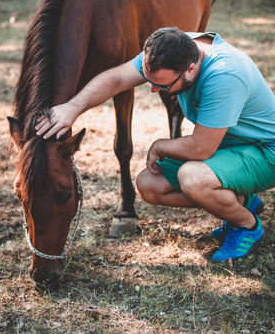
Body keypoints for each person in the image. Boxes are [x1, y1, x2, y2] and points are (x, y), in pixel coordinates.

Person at [35, 28, 275, 261]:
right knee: (148, 185)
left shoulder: (224, 75)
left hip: (265, 149)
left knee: (193, 178)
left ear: (190, 70)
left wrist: (159, 146)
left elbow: (202, 148)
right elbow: (117, 78)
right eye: (150, 81)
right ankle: (241, 201)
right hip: (228, 144)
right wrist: (72, 108)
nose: (152, 89)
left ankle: (247, 226)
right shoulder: (170, 48)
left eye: (162, 86)